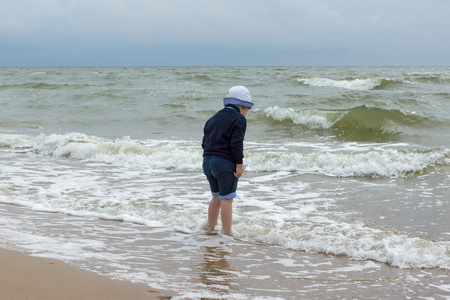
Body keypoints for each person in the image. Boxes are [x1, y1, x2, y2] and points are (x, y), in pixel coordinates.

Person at [202, 86, 254, 236]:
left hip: (207, 161)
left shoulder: (213, 118)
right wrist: (239, 165)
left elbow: (204, 142)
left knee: (216, 196)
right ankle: (227, 233)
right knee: (227, 199)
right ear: (243, 105)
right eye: (247, 108)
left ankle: (211, 228)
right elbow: (236, 143)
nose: (246, 112)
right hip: (223, 163)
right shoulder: (239, 118)